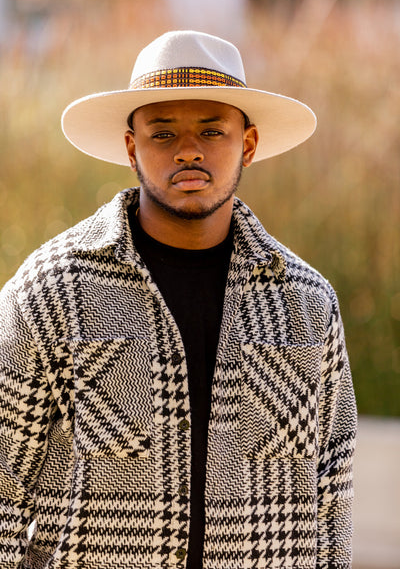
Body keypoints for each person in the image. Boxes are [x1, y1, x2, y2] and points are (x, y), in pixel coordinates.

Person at [0, 30, 357, 569]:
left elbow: (331, 491)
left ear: (249, 145)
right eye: (162, 133)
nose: (189, 150)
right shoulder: (52, 290)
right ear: (131, 147)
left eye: (213, 130)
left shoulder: (307, 304)